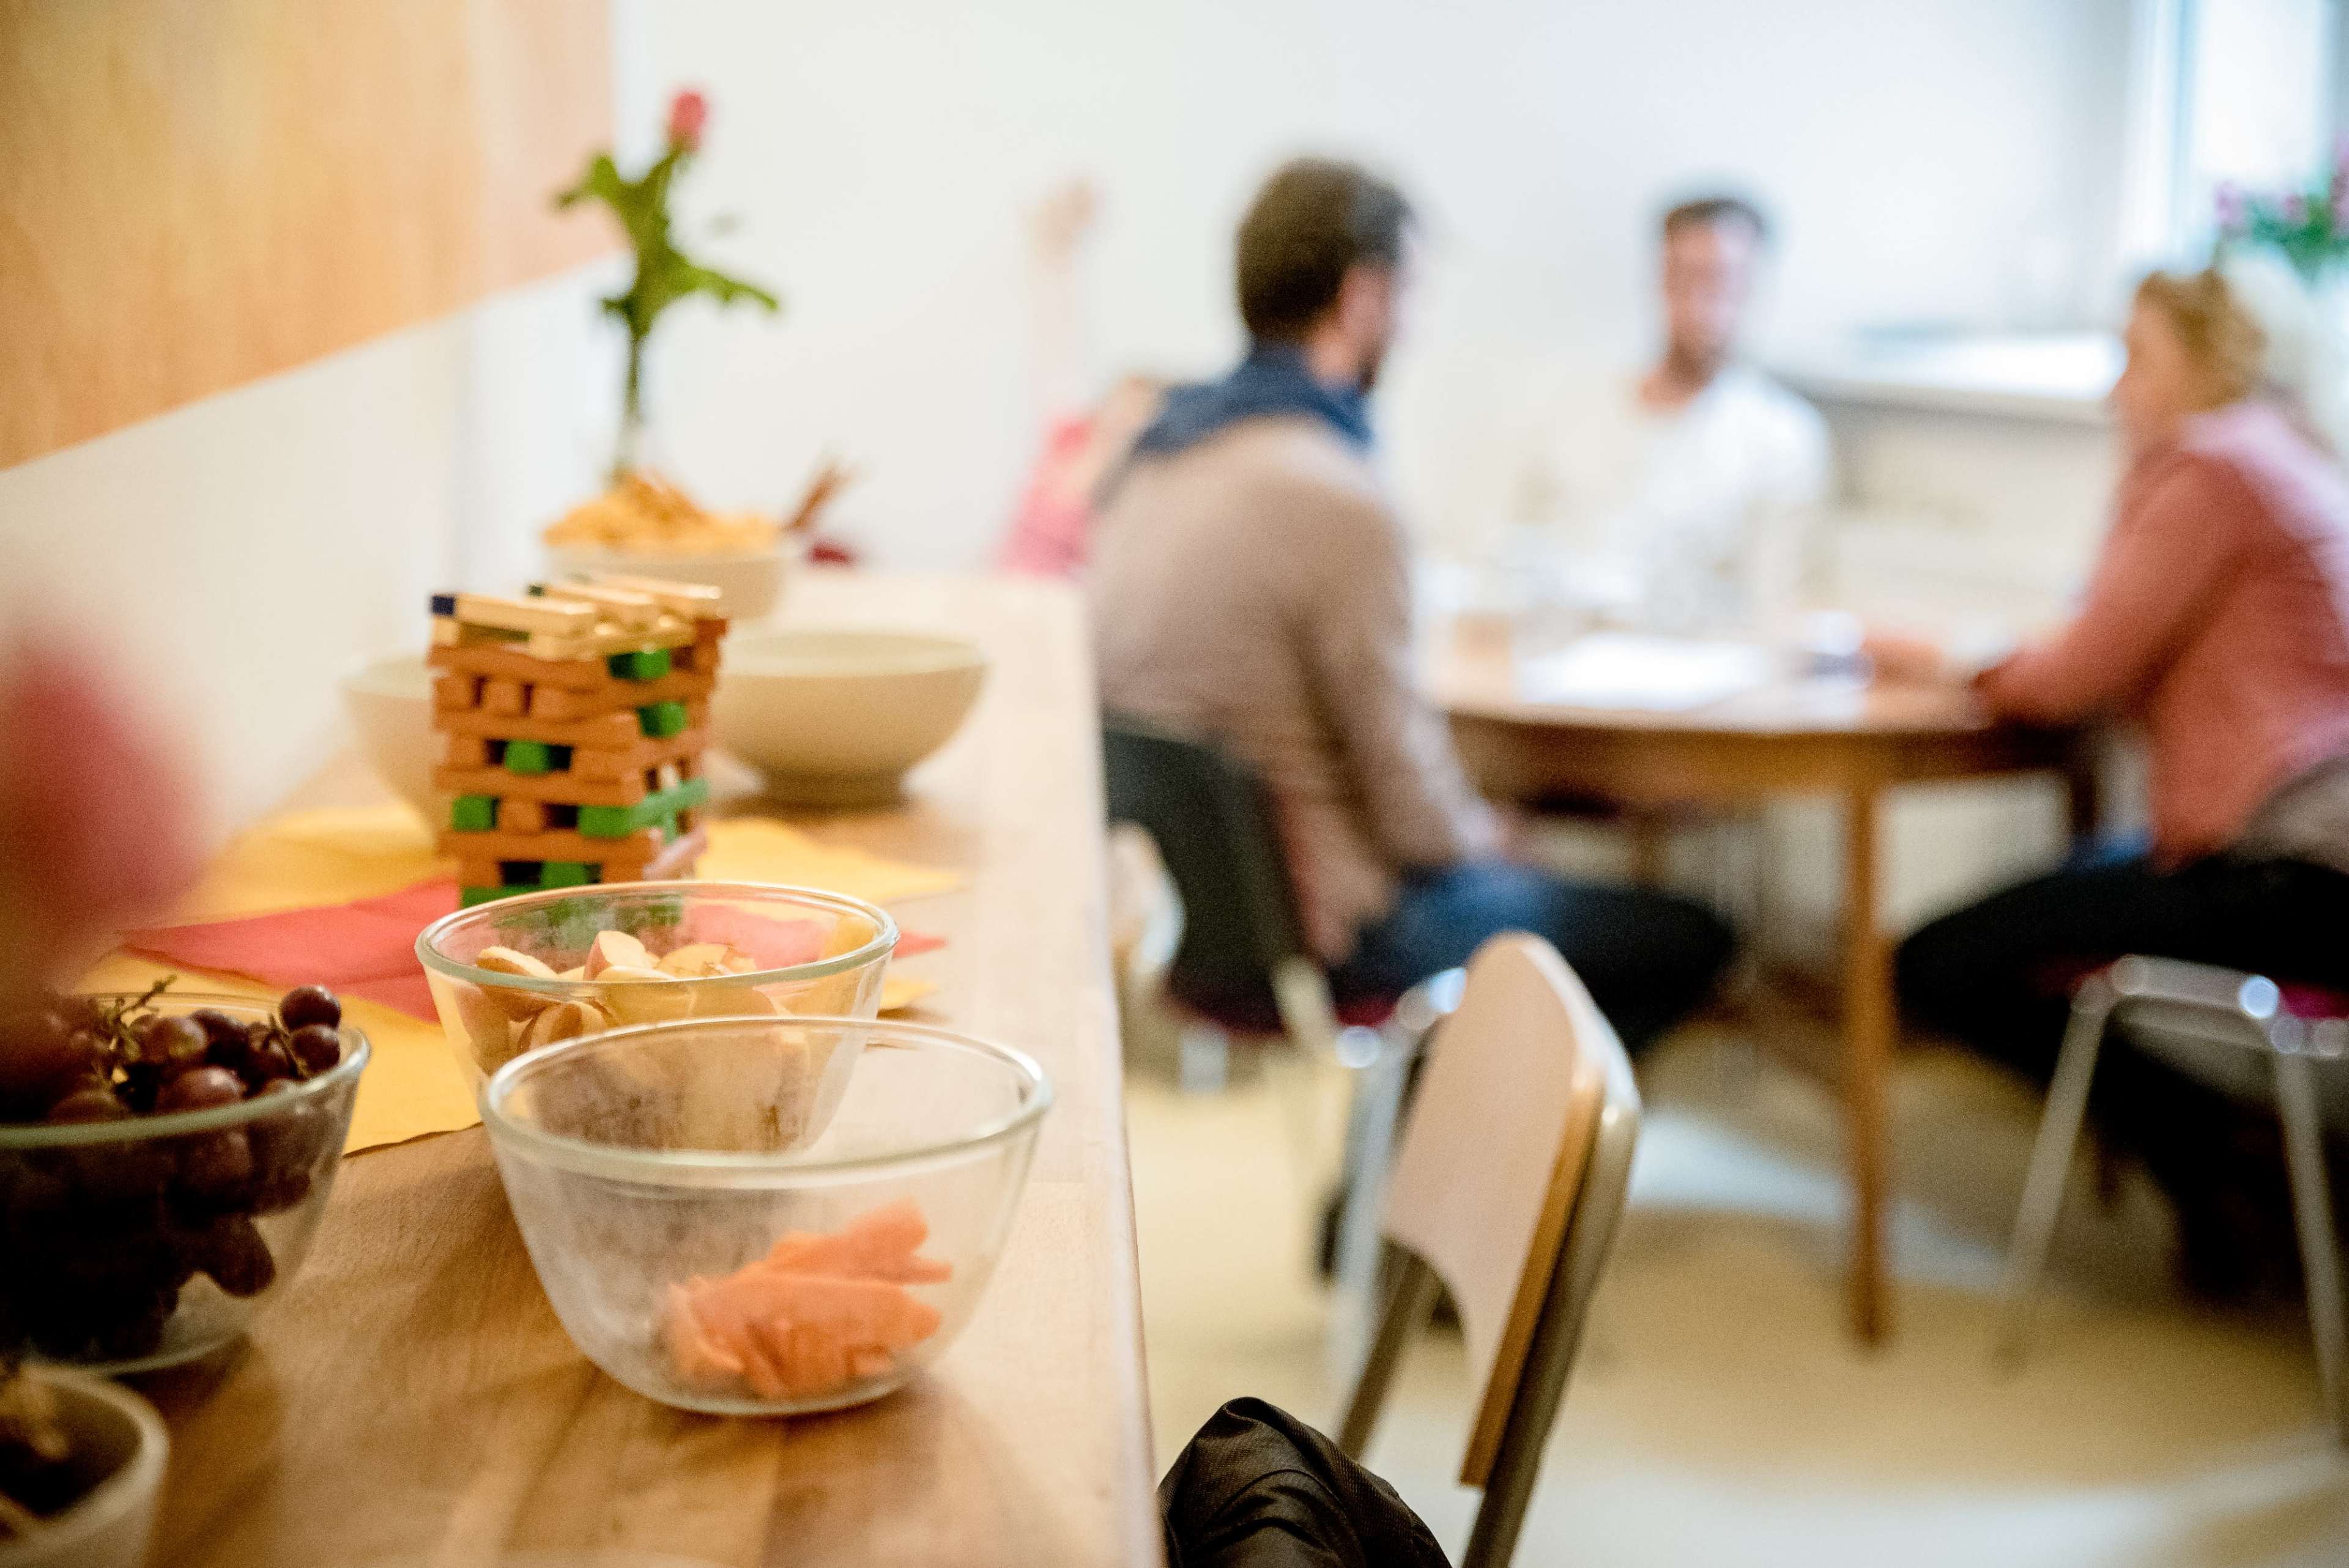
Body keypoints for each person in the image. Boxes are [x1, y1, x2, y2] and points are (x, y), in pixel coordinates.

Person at [1090, 157, 1731, 1051]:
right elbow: (1408, 801)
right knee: (1693, 937)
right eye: (1413, 296)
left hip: (1193, 924)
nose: (1416, 328)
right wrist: (1494, 836)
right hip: (1339, 932)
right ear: (1363, 299)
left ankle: (1422, 1149)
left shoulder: (1154, 454)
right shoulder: (1336, 492)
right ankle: (1475, 1168)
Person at [1887, 261, 2349, 1291]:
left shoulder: (2214, 467)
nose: (2114, 390)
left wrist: (1937, 657)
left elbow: (2072, 678)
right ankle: (2227, 1164)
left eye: (2136, 357)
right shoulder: (2292, 453)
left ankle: (2227, 1153)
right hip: (2312, 858)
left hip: (2291, 869)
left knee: (1937, 959)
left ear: (2210, 361)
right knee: (2071, 891)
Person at [1506, 194, 1828, 636]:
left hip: (1701, 680)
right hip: (1560, 663)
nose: (1703, 305)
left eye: (1723, 282)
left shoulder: (1782, 438)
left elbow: (1777, 608)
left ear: (1753, 288)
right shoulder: (1574, 411)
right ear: (1661, 280)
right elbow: (1516, 553)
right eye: (1688, 278)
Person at [1000, 179, 1165, 577]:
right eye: (1126, 399)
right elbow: (1056, 340)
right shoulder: (1068, 438)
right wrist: (1058, 247)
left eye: (1142, 409)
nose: (1128, 414)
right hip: (1003, 595)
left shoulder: (1133, 488)